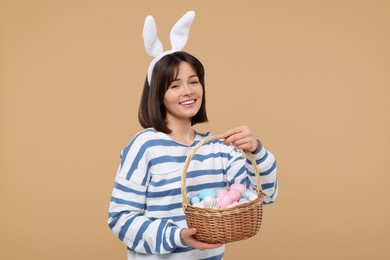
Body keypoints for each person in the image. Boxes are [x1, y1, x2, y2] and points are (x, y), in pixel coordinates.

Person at [108, 11, 278, 260]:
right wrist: (177, 236)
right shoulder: (144, 146)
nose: (187, 91)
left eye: (194, 81)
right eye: (174, 85)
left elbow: (261, 196)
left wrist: (257, 150)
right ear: (158, 94)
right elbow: (120, 218)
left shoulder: (217, 148)